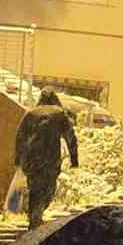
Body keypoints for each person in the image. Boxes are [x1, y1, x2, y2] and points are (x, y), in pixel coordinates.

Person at [14, 89, 80, 230]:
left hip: (32, 160)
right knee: (48, 188)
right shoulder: (59, 114)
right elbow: (70, 137)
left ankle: (34, 217)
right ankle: (37, 214)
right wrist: (74, 159)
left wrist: (18, 160)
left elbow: (20, 137)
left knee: (34, 188)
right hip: (50, 158)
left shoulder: (30, 114)